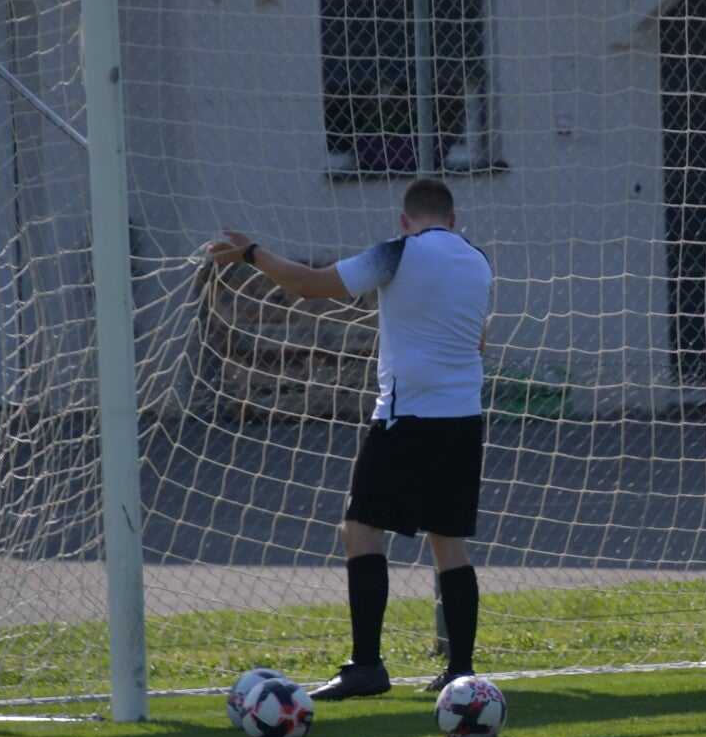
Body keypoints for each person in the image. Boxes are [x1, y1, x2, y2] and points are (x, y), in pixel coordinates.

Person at [207, 177, 493, 697]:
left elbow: (311, 285)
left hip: (409, 418)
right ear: (453, 220)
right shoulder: (477, 260)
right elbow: (478, 340)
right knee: (449, 543)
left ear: (404, 220)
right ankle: (461, 673)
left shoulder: (397, 252)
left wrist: (252, 253)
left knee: (360, 531)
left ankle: (366, 667)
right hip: (465, 420)